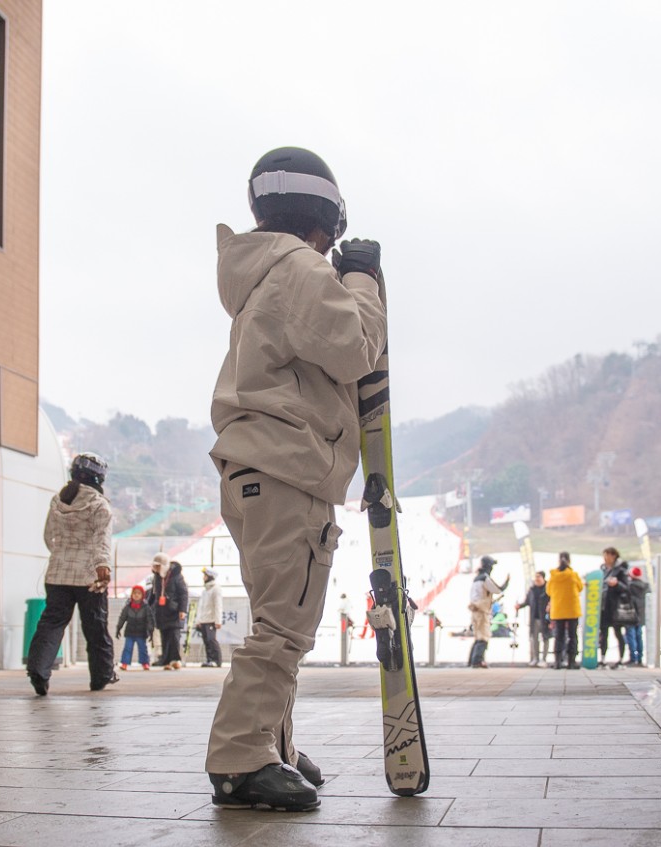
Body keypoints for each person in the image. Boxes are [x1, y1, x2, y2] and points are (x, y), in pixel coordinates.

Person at [204, 146, 386, 812]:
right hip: (288, 466)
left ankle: (270, 740)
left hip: (251, 464)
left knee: (276, 615)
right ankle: (240, 757)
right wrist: (362, 280)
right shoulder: (301, 269)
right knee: (286, 625)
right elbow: (355, 349)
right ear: (325, 219)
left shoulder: (257, 274)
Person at [26, 453, 117, 695]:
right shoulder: (99, 505)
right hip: (90, 578)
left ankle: (38, 669)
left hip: (57, 575)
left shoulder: (57, 501)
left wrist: (62, 555)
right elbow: (102, 542)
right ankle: (101, 676)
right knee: (95, 627)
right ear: (99, 477)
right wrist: (102, 566)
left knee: (51, 623)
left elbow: (48, 537)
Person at [468, 555, 509, 669]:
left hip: (475, 610)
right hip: (481, 611)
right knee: (483, 636)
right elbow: (497, 589)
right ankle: (477, 661)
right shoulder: (484, 578)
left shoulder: (477, 578)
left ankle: (472, 660)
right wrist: (507, 582)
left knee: (478, 636)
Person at [148, 554, 188, 669]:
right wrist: (148, 606)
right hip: (161, 611)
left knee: (174, 636)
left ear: (163, 565)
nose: (155, 569)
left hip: (174, 611)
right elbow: (153, 593)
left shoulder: (176, 576)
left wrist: (182, 609)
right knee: (164, 635)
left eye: (157, 566)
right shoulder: (157, 577)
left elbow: (183, 593)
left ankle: (175, 659)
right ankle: (165, 660)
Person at [547, 551, 584, 669]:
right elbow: (580, 588)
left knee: (559, 636)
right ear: (569, 561)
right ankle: (571, 662)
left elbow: (548, 591)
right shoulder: (573, 575)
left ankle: (558, 662)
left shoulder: (553, 576)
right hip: (572, 609)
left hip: (558, 609)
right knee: (573, 636)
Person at [600, 547, 630, 668]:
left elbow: (626, 588)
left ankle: (621, 658)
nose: (605, 558)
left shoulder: (620, 571)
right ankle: (602, 658)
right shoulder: (602, 570)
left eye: (607, 555)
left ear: (613, 556)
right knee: (604, 633)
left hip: (616, 606)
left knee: (618, 633)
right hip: (603, 606)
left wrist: (617, 583)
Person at [516, 570, 551, 667]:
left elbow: (553, 601)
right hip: (534, 618)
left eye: (539, 577)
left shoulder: (548, 589)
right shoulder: (532, 590)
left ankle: (544, 659)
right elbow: (527, 602)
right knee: (534, 639)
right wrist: (519, 605)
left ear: (543, 578)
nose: (537, 579)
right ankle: (535, 658)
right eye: (536, 577)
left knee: (545, 638)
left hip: (545, 618)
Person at [116, 583, 153, 670]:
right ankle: (124, 663)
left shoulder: (146, 607)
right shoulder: (127, 607)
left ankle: (145, 663)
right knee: (127, 648)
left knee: (143, 649)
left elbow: (150, 619)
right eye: (135, 593)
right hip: (130, 632)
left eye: (139, 593)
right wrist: (118, 628)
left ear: (142, 595)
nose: (136, 595)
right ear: (132, 594)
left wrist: (150, 631)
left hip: (141, 632)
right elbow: (122, 618)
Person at [196, 567, 224, 668]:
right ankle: (209, 659)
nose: (203, 577)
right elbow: (201, 606)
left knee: (211, 640)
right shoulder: (205, 591)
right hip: (204, 620)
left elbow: (218, 605)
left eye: (205, 575)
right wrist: (198, 620)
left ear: (210, 576)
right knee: (206, 640)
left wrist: (218, 620)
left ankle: (216, 660)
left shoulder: (216, 589)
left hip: (211, 620)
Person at [625, 565, 651, 666]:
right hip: (641, 614)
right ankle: (640, 658)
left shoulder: (629, 586)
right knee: (639, 636)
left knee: (630, 636)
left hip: (630, 614)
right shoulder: (646, 586)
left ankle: (633, 658)